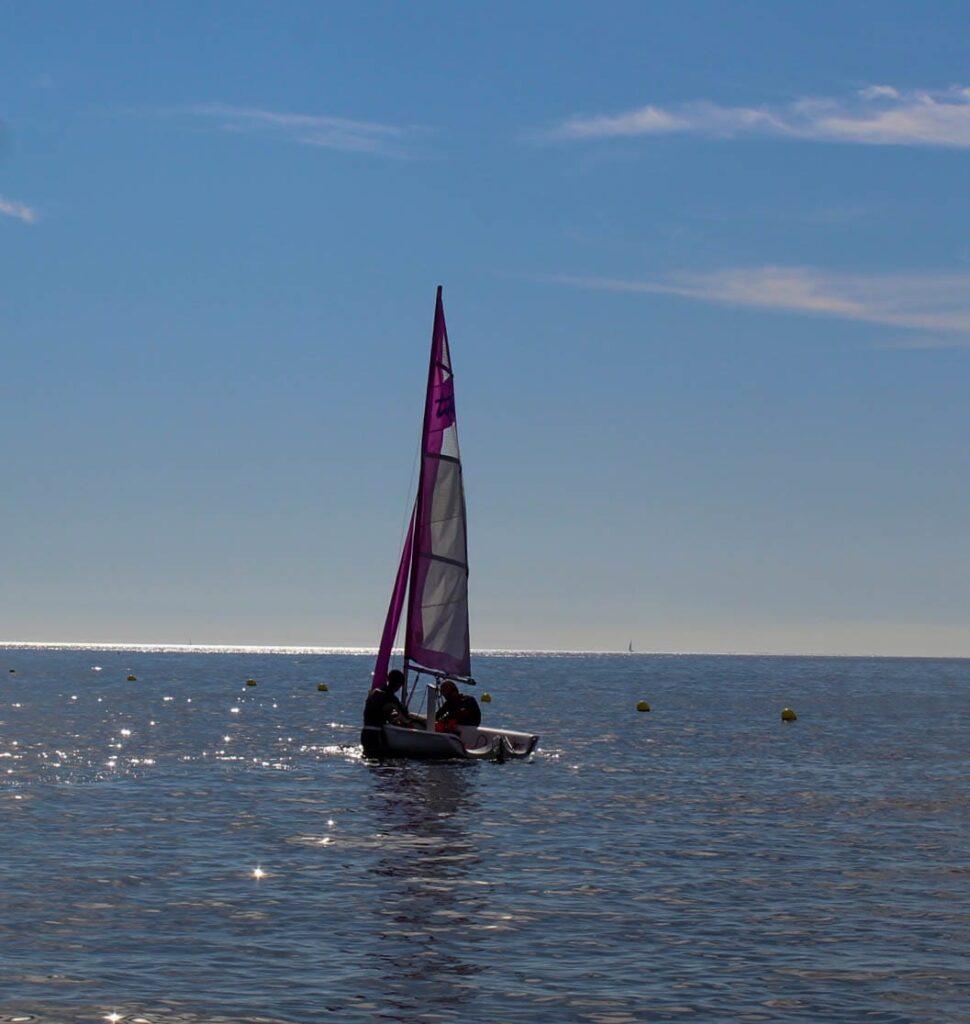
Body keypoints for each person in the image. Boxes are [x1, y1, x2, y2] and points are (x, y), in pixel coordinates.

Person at [361, 669, 416, 756]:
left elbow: (376, 712)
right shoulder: (392, 699)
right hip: (376, 735)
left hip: (365, 733)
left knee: (370, 761)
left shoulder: (374, 692)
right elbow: (406, 718)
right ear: (399, 685)